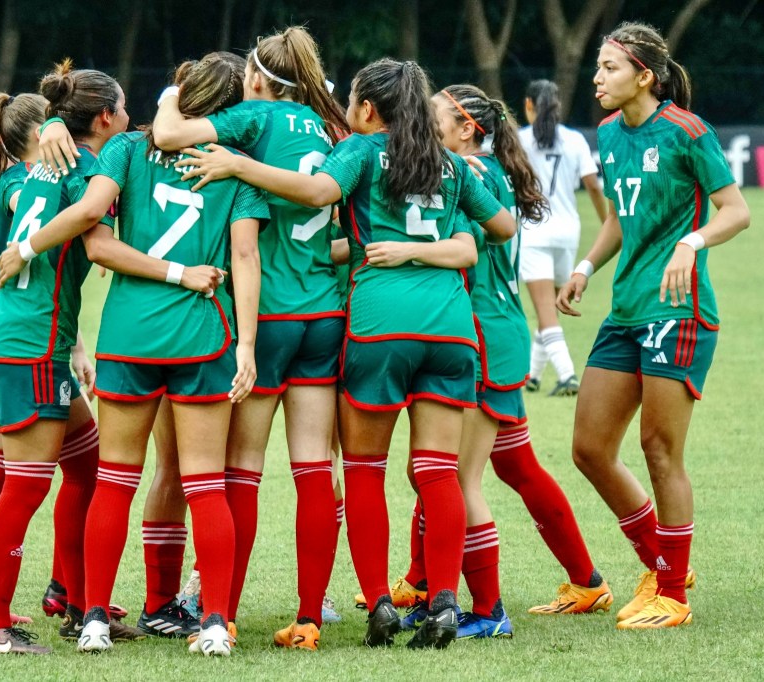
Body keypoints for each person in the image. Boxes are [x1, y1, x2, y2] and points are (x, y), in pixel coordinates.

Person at [175, 57, 517, 650]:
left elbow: (314, 192)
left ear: (365, 110)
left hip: (376, 325)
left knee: (360, 470)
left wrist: (238, 163)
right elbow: (502, 228)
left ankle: (375, 601)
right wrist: (424, 249)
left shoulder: (360, 151)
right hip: (451, 329)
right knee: (437, 473)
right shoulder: (453, 164)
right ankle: (442, 602)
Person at [0, 51, 266, 656]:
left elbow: (96, 239)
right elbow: (245, 257)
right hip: (202, 339)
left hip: (127, 338)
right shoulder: (235, 165)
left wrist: (55, 127)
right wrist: (247, 343)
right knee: (206, 485)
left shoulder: (125, 149)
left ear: (177, 93)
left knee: (115, 481)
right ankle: (217, 624)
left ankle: (92, 618)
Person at [150, 26, 349, 650]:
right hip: (326, 314)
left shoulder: (253, 114)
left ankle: (222, 612)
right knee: (315, 467)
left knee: (242, 471)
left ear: (258, 76)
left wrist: (169, 92)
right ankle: (311, 617)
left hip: (268, 318)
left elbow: (168, 134)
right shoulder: (326, 127)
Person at [395, 85, 612, 640]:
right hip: (497, 331)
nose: (424, 121)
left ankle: (487, 610)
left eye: (435, 115)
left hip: (484, 340)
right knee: (513, 466)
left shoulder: (472, 175)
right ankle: (585, 580)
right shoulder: (485, 169)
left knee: (452, 479)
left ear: (467, 128)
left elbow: (457, 250)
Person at [557, 22, 750, 630]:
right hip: (626, 311)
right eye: (598, 67)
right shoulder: (610, 135)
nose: (597, 78)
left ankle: (673, 595)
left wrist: (692, 242)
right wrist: (587, 266)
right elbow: (621, 215)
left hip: (680, 311)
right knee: (589, 448)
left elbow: (736, 211)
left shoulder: (688, 132)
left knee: (660, 450)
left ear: (645, 75)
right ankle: (664, 563)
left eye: (610, 67)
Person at [0, 60, 133, 656]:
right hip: (30, 347)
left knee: (87, 469)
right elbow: (90, 217)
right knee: (25, 487)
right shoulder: (86, 167)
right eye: (124, 108)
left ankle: (73, 596)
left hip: (33, 341)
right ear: (106, 116)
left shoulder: (35, 168)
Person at [518, 79, 607, 396]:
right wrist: (607, 221)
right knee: (551, 310)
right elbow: (594, 186)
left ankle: (568, 374)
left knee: (544, 311)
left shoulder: (519, 140)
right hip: (568, 232)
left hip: (532, 232)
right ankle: (532, 374)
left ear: (528, 105)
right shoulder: (575, 140)